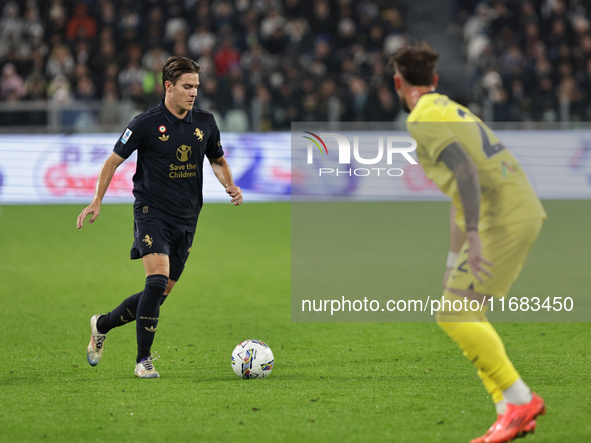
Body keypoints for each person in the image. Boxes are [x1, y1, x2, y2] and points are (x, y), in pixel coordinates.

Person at [388, 42, 547, 443]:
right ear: (435, 81)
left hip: (501, 215)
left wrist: (474, 235)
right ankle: (508, 411)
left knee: (453, 315)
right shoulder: (447, 108)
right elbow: (460, 193)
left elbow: (465, 172)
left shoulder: (422, 118)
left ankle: (521, 399)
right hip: (515, 207)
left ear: (397, 83)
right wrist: (451, 260)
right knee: (463, 312)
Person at [77, 56, 242, 379]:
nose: (193, 93)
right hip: (151, 212)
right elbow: (112, 161)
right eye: (187, 86)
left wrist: (230, 184)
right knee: (155, 281)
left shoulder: (205, 123)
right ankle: (143, 360)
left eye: (196, 87)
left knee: (157, 295)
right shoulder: (145, 123)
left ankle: (102, 324)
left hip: (187, 218)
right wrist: (97, 200)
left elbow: (218, 161)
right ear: (169, 86)